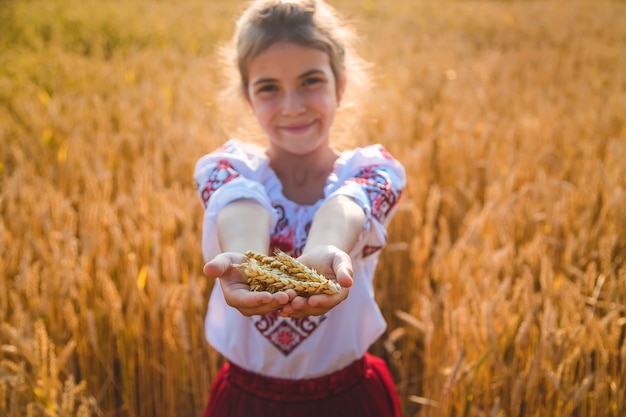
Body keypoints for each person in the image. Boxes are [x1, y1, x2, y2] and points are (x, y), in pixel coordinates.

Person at [194, 0, 406, 415]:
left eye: (311, 81)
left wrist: (327, 248)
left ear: (340, 85)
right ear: (246, 96)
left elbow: (345, 207)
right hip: (245, 401)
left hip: (350, 399)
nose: (292, 106)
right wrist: (248, 259)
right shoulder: (225, 168)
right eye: (269, 87)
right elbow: (241, 207)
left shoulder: (375, 172)